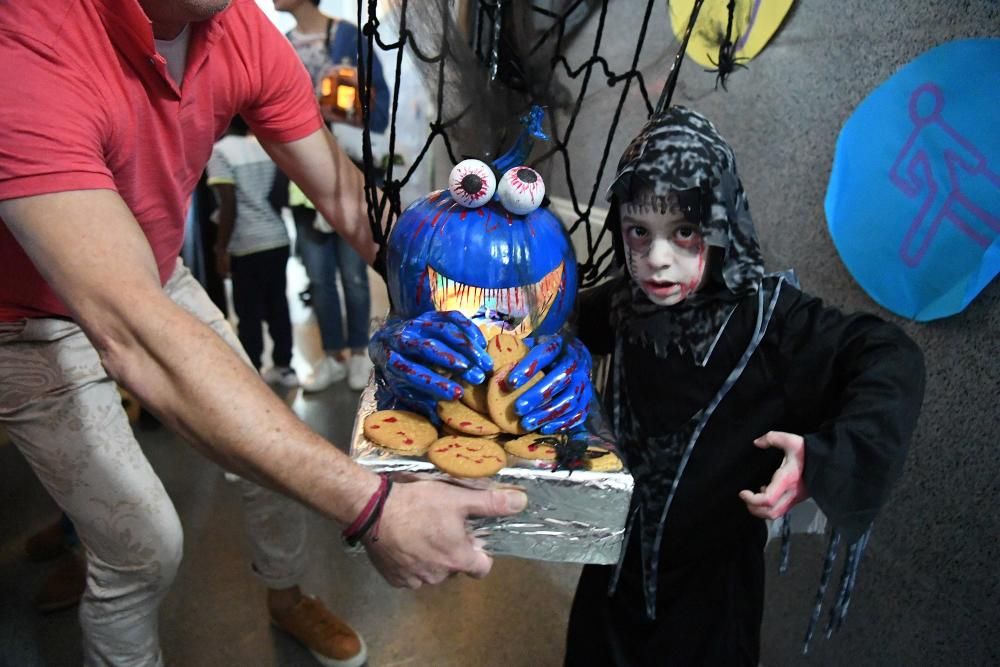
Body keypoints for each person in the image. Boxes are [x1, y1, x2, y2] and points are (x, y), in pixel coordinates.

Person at [0, 1, 526, 666]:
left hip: (156, 273)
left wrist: (471, 283)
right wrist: (374, 508)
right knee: (143, 545)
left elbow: (341, 195)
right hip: (27, 321)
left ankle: (285, 595)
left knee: (268, 451)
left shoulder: (235, 26)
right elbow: (132, 332)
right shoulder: (28, 35)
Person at [559, 107, 927, 665]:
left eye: (684, 231)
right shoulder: (624, 304)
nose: (658, 260)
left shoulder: (773, 322)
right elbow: (555, 326)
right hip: (610, 578)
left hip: (709, 607)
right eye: (640, 232)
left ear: (720, 223)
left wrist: (826, 457)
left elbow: (889, 358)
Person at [275, 0, 392, 393]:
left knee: (354, 275)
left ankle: (360, 354)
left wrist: (341, 99)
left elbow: (380, 115)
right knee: (318, 276)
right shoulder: (279, 45)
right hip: (299, 178)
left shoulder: (350, 39)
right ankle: (331, 356)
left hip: (347, 171)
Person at [207, 115, 298, 387]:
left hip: (246, 243)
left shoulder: (219, 152)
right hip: (277, 237)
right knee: (278, 305)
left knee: (248, 312)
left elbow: (228, 205)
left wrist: (221, 248)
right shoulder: (262, 146)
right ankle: (285, 367)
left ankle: (254, 371)